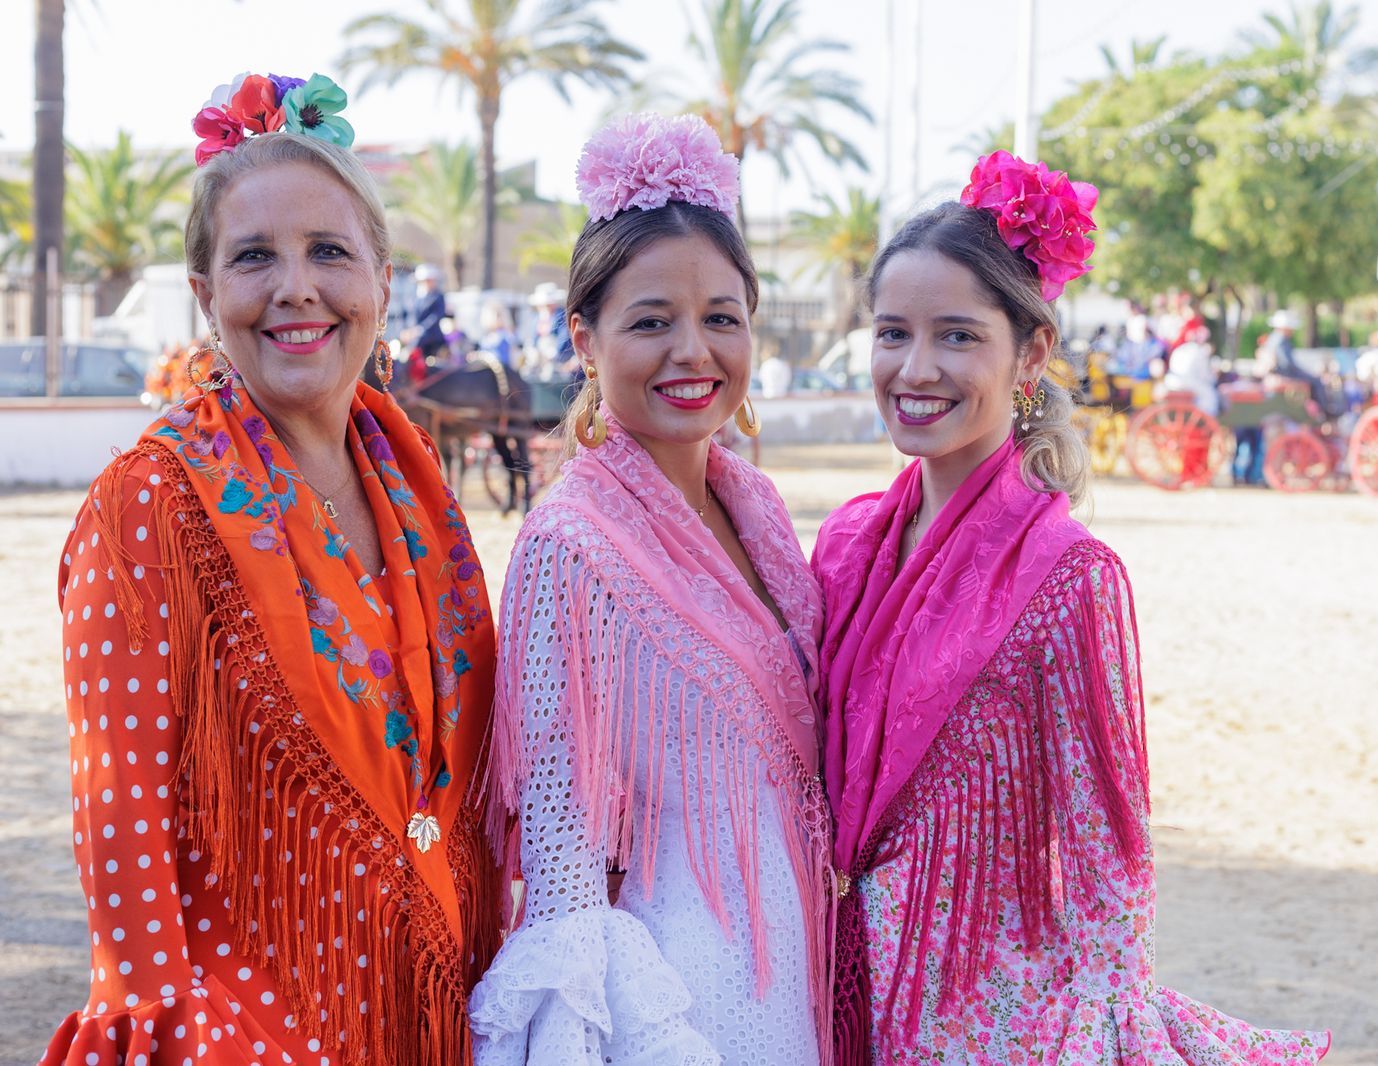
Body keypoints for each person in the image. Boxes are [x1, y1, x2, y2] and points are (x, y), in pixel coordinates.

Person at [815, 149, 1330, 1065]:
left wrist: (1104, 1026)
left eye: (959, 336)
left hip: (979, 1005)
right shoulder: (846, 545)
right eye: (893, 333)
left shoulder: (1069, 576)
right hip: (834, 978)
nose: (916, 367)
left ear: (1033, 353)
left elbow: (1108, 847)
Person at [42, 72, 508, 1066]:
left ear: (384, 278)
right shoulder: (152, 505)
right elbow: (119, 812)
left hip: (426, 1012)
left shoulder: (418, 492)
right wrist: (175, 1033)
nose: (296, 287)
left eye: (328, 252)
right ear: (208, 298)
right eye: (256, 257)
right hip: (252, 1030)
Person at [469, 113, 831, 1065]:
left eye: (721, 317)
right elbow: (558, 842)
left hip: (797, 965)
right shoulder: (570, 545)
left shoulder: (756, 510)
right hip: (676, 1000)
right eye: (651, 321)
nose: (693, 350)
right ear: (584, 339)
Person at [411, 262, 449, 361]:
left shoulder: (438, 297)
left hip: (433, 340)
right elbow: (413, 316)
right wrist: (412, 330)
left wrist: (420, 329)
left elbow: (436, 317)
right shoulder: (418, 298)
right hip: (418, 339)